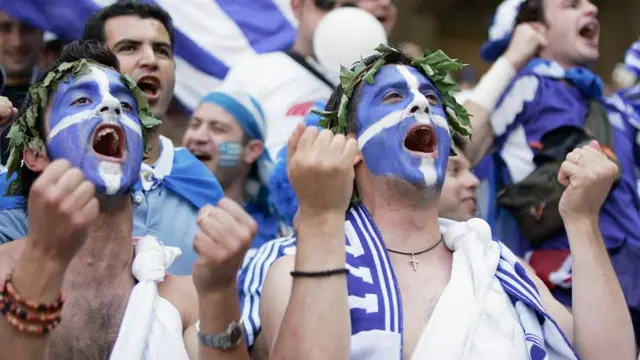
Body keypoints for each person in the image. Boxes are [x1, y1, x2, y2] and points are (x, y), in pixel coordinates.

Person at [237, 45, 634, 359]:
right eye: (393, 96)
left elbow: (612, 357)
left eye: (431, 96)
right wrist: (322, 215)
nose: (421, 104)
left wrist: (582, 220)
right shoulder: (293, 264)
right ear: (351, 147)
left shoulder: (495, 264)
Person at [0, 39, 255, 360]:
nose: (111, 107)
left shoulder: (186, 299)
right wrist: (42, 261)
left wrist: (220, 293)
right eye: (81, 99)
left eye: (126, 105)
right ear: (35, 152)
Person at [461, 0, 640, 341]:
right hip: (566, 299)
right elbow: (462, 146)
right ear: (538, 31)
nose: (591, 8)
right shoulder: (527, 85)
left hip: (631, 285)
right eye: (571, 4)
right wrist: (513, 59)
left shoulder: (609, 106)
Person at [0, 1, 223, 275]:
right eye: (129, 47)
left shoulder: (201, 184)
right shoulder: (20, 194)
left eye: (162, 51)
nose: (151, 60)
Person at [221, 0, 397, 158]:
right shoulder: (254, 72)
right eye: (324, 3)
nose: (337, 14)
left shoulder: (385, 79)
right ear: (297, 6)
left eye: (348, 6)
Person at [182, 90, 285, 259]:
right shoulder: (151, 201)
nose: (199, 137)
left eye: (218, 129)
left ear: (252, 151)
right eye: (194, 124)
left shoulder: (272, 237)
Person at [0, 10, 43, 166]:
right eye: (4, 28)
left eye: (27, 29)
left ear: (42, 35)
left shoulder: (60, 94)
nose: (16, 42)